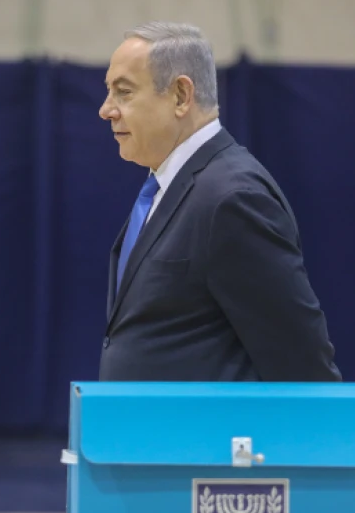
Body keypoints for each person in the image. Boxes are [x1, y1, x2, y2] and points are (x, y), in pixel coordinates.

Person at [97, 21, 341, 383]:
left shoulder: (233, 198)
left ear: (181, 95)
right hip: (148, 437)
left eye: (124, 92)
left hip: (198, 440)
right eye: (108, 92)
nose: (106, 110)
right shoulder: (169, 186)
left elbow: (301, 362)